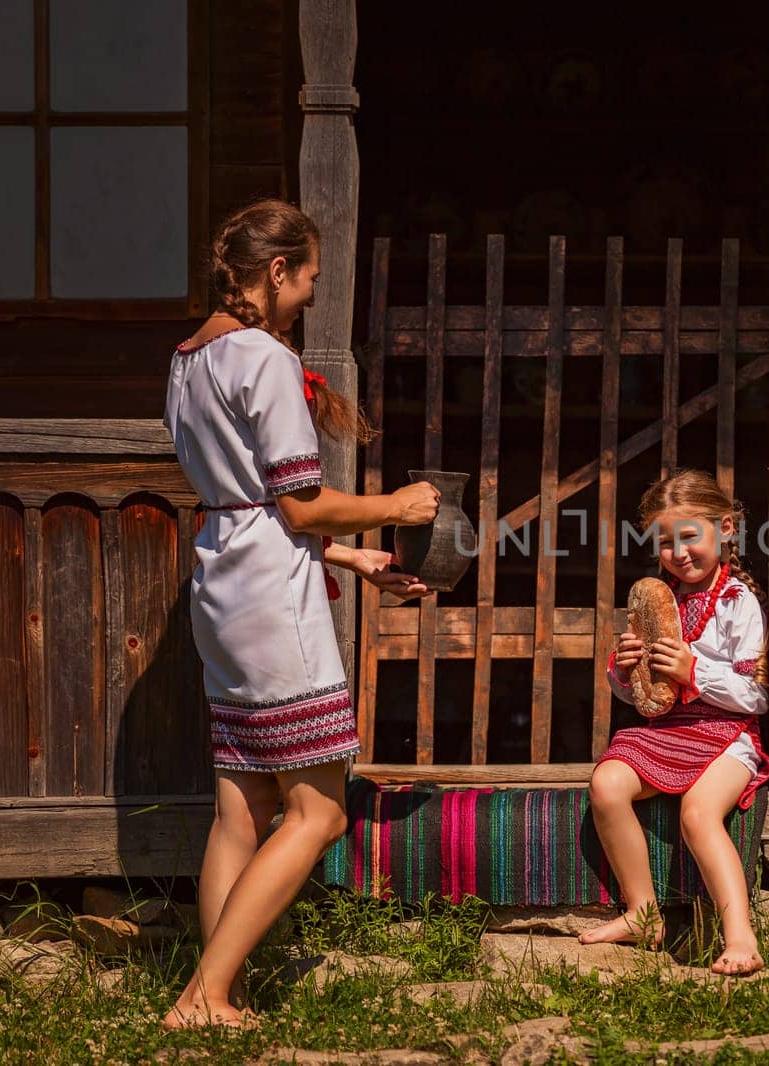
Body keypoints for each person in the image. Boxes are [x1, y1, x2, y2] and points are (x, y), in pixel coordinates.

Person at [162, 199, 439, 1028]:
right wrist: (397, 505)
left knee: (242, 805)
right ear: (276, 271)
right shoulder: (263, 359)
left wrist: (356, 561)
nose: (309, 297)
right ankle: (204, 994)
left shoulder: (185, 358)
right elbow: (302, 503)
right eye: (308, 279)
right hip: (271, 599)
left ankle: (224, 991)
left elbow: (249, 504)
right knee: (318, 809)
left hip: (223, 576)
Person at [580, 469, 769, 975]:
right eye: (665, 542)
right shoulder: (655, 602)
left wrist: (695, 671)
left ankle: (741, 936)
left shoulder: (737, 603)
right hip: (666, 731)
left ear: (725, 528)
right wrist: (625, 671)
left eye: (690, 536)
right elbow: (643, 696)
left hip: (728, 734)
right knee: (607, 784)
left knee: (698, 814)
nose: (679, 552)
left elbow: (757, 696)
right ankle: (642, 912)